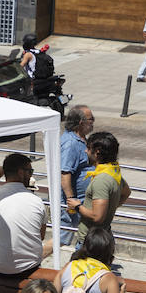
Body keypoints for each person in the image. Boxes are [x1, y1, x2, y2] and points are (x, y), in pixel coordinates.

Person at [74, 131, 131, 248]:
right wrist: (109, 208)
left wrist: (77, 206)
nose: (85, 151)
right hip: (102, 239)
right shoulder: (113, 174)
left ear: (97, 152)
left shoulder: (101, 180)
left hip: (90, 243)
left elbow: (97, 217)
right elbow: (126, 193)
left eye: (88, 148)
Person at [57, 105, 94, 247]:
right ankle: (36, 257)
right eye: (91, 119)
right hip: (73, 203)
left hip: (81, 201)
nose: (93, 122)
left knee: (83, 236)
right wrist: (71, 200)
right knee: (61, 238)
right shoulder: (71, 143)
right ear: (81, 122)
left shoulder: (81, 139)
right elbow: (65, 173)